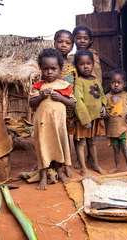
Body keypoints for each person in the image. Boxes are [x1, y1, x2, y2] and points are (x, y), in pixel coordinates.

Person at [29, 48, 76, 190]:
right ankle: (43, 176)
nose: (49, 72)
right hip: (43, 125)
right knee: (43, 148)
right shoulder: (38, 86)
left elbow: (73, 103)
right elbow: (32, 103)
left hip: (59, 125)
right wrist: (41, 96)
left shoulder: (65, 86)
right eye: (46, 69)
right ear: (41, 69)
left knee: (59, 147)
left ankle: (60, 172)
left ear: (60, 69)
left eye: (53, 69)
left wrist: (61, 98)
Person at [74, 50, 107, 175]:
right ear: (77, 66)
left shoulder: (95, 80)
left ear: (93, 64)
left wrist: (104, 106)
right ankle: (84, 168)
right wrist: (85, 119)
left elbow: (102, 95)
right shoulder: (79, 81)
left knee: (92, 142)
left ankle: (95, 164)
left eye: (88, 63)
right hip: (85, 119)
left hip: (95, 118)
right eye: (82, 64)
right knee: (81, 143)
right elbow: (78, 101)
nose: (86, 66)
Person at [54, 29, 77, 175]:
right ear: (54, 43)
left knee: (66, 134)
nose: (64, 45)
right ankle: (55, 162)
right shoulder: (50, 63)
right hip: (53, 105)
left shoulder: (71, 67)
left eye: (68, 43)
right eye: (60, 42)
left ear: (72, 46)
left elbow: (72, 87)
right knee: (54, 133)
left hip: (67, 106)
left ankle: (66, 163)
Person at [105, 69, 127, 172]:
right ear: (110, 83)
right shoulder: (106, 97)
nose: (116, 85)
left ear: (124, 84)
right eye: (113, 82)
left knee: (125, 148)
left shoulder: (126, 96)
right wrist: (103, 112)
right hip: (112, 129)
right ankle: (117, 166)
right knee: (115, 149)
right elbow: (103, 109)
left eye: (119, 82)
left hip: (123, 128)